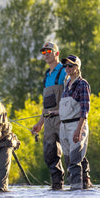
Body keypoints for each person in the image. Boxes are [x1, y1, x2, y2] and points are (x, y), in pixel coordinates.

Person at [32, 42, 67, 190]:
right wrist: (40, 123)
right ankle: (57, 185)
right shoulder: (47, 75)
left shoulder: (65, 71)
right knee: (49, 154)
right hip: (49, 121)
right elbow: (46, 104)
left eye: (49, 51)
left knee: (71, 151)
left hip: (64, 118)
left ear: (57, 54)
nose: (46, 54)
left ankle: (82, 182)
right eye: (44, 52)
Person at [59, 55, 91, 190]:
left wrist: (79, 130)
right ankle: (84, 185)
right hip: (63, 126)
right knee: (67, 161)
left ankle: (76, 190)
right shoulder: (66, 84)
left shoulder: (83, 84)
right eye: (65, 66)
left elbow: (84, 110)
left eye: (70, 65)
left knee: (75, 161)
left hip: (76, 125)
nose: (67, 68)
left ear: (77, 67)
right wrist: (54, 113)